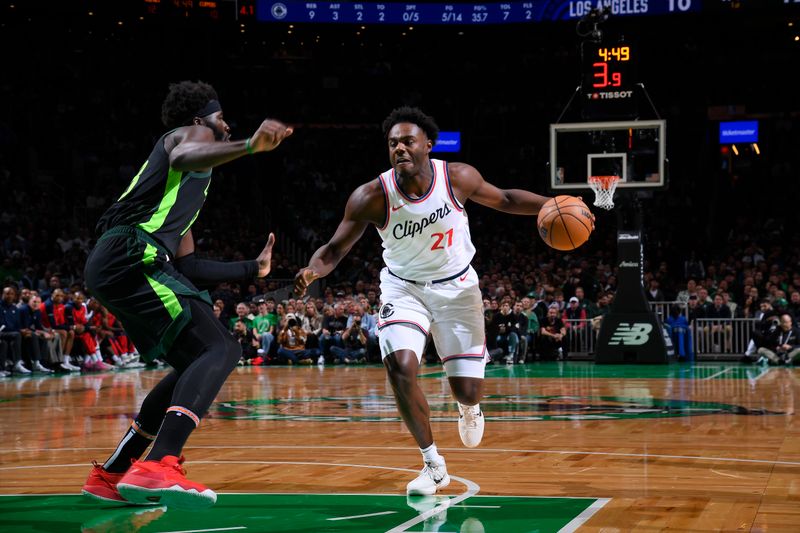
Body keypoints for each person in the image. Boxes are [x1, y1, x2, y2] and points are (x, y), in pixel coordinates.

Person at [294, 107, 552, 495]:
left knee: (466, 389)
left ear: (427, 145)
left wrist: (553, 203)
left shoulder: (458, 177)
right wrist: (312, 271)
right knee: (400, 367)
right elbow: (332, 251)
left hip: (458, 289)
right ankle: (433, 466)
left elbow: (506, 199)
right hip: (404, 289)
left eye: (407, 140)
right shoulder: (371, 195)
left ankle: (470, 407)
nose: (399, 147)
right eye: (393, 142)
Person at [81, 80, 291, 509]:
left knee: (195, 360)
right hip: (131, 253)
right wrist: (250, 145)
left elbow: (188, 266)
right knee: (223, 348)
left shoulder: (178, 196)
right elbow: (183, 152)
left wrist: (255, 268)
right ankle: (160, 463)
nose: (225, 124)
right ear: (200, 120)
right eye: (220, 118)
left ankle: (115, 471)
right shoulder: (187, 138)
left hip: (122, 259)